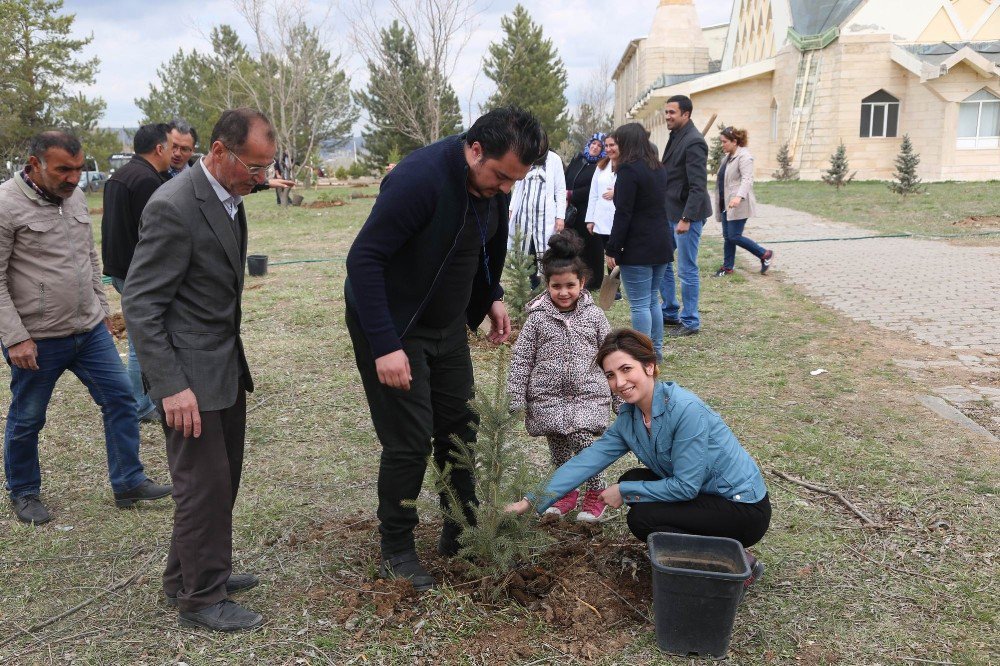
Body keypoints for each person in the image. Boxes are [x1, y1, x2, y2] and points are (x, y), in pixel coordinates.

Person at [345, 106, 547, 592]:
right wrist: (386, 344)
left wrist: (492, 295)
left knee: (460, 426)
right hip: (398, 327)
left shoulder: (492, 184)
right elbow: (364, 259)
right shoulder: (420, 180)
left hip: (448, 327)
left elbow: (480, 248)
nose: (503, 189)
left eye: (512, 182)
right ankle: (397, 547)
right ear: (474, 149)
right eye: (500, 176)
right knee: (410, 439)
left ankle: (459, 527)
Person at [123, 108, 276, 631]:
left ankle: (189, 574)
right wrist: (170, 387)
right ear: (218, 152)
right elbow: (141, 304)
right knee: (201, 485)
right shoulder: (174, 205)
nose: (260, 178)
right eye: (253, 168)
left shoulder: (230, 199)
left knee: (220, 480)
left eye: (265, 168)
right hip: (188, 376)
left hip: (223, 365)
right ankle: (202, 599)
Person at [506, 328, 771, 586]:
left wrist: (625, 490)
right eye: (610, 375)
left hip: (741, 508)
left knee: (643, 518)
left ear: (650, 366)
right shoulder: (630, 418)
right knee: (634, 479)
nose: (619, 383)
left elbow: (686, 486)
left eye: (626, 369)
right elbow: (586, 461)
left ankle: (735, 561)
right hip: (705, 494)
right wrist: (530, 500)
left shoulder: (685, 410)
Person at [0, 131, 171, 525]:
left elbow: (89, 258)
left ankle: (128, 481)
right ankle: (24, 491)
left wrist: (104, 309)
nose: (74, 178)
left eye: (78, 169)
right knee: (28, 418)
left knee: (121, 401)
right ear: (33, 165)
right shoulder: (7, 204)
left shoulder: (73, 197)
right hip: (37, 339)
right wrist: (15, 338)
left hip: (89, 330)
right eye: (63, 170)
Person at [506, 231, 616, 523]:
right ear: (547, 285)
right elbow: (522, 358)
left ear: (582, 283)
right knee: (558, 449)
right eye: (557, 286)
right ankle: (564, 492)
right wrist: (516, 395)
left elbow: (611, 356)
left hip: (587, 394)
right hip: (548, 398)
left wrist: (619, 397)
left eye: (570, 285)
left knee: (583, 441)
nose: (564, 292)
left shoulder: (594, 316)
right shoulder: (537, 318)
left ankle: (597, 493)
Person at [101, 122, 174, 423]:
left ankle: (144, 399)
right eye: (171, 147)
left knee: (139, 337)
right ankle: (140, 406)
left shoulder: (119, 176)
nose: (173, 153)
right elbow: (154, 234)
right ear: (159, 148)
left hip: (118, 267)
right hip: (136, 272)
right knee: (140, 341)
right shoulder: (147, 181)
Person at [603, 123, 673, 359]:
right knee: (653, 300)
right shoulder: (658, 167)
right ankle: (657, 351)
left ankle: (643, 354)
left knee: (640, 304)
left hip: (639, 246)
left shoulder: (629, 171)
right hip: (661, 242)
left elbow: (624, 213)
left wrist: (613, 247)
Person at [659, 94, 713, 337]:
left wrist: (687, 218)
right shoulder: (676, 136)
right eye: (667, 112)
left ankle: (690, 320)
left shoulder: (694, 142)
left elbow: (698, 186)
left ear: (686, 114)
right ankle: (670, 310)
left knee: (686, 268)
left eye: (672, 112)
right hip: (669, 211)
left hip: (686, 215)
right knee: (662, 261)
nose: (667, 116)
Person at [712, 127, 773, 277]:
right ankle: (727, 268)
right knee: (728, 237)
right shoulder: (728, 157)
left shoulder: (744, 157)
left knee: (734, 236)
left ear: (735, 142)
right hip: (726, 202)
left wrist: (738, 197)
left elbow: (747, 179)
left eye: (725, 142)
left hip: (738, 203)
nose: (722, 145)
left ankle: (765, 254)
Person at [509, 149, 566, 288]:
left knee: (544, 250)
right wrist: (511, 208)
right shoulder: (526, 155)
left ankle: (547, 285)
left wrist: (560, 216)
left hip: (545, 217)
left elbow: (560, 190)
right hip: (525, 214)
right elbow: (518, 186)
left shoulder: (554, 160)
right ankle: (531, 284)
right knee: (526, 249)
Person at [564, 134, 607, 291]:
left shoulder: (602, 166)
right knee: (573, 244)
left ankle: (594, 281)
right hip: (572, 210)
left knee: (592, 247)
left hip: (589, 210)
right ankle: (575, 276)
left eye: (599, 146)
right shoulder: (578, 159)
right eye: (593, 144)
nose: (595, 147)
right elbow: (566, 177)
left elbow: (593, 189)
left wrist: (572, 194)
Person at [584, 134, 619, 268]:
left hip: (617, 218)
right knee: (608, 255)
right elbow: (593, 194)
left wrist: (616, 192)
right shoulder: (602, 165)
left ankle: (616, 286)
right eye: (607, 146)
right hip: (602, 218)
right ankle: (613, 287)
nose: (609, 149)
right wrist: (590, 219)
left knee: (616, 255)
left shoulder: (627, 165)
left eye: (612, 145)